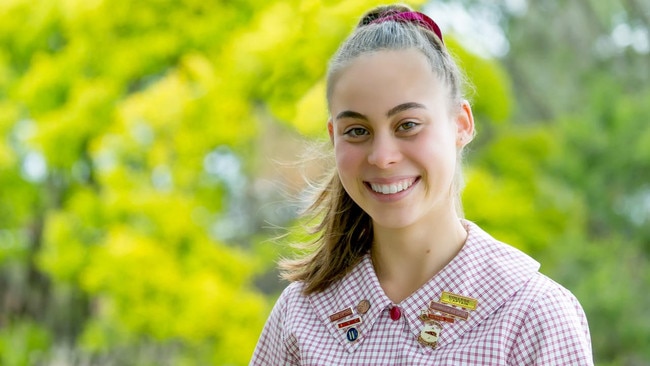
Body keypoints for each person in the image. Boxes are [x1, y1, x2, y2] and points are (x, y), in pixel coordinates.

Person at [250, 3, 593, 365]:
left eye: (408, 124)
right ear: (334, 137)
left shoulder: (533, 314)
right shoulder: (300, 314)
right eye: (357, 131)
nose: (382, 157)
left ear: (460, 124)